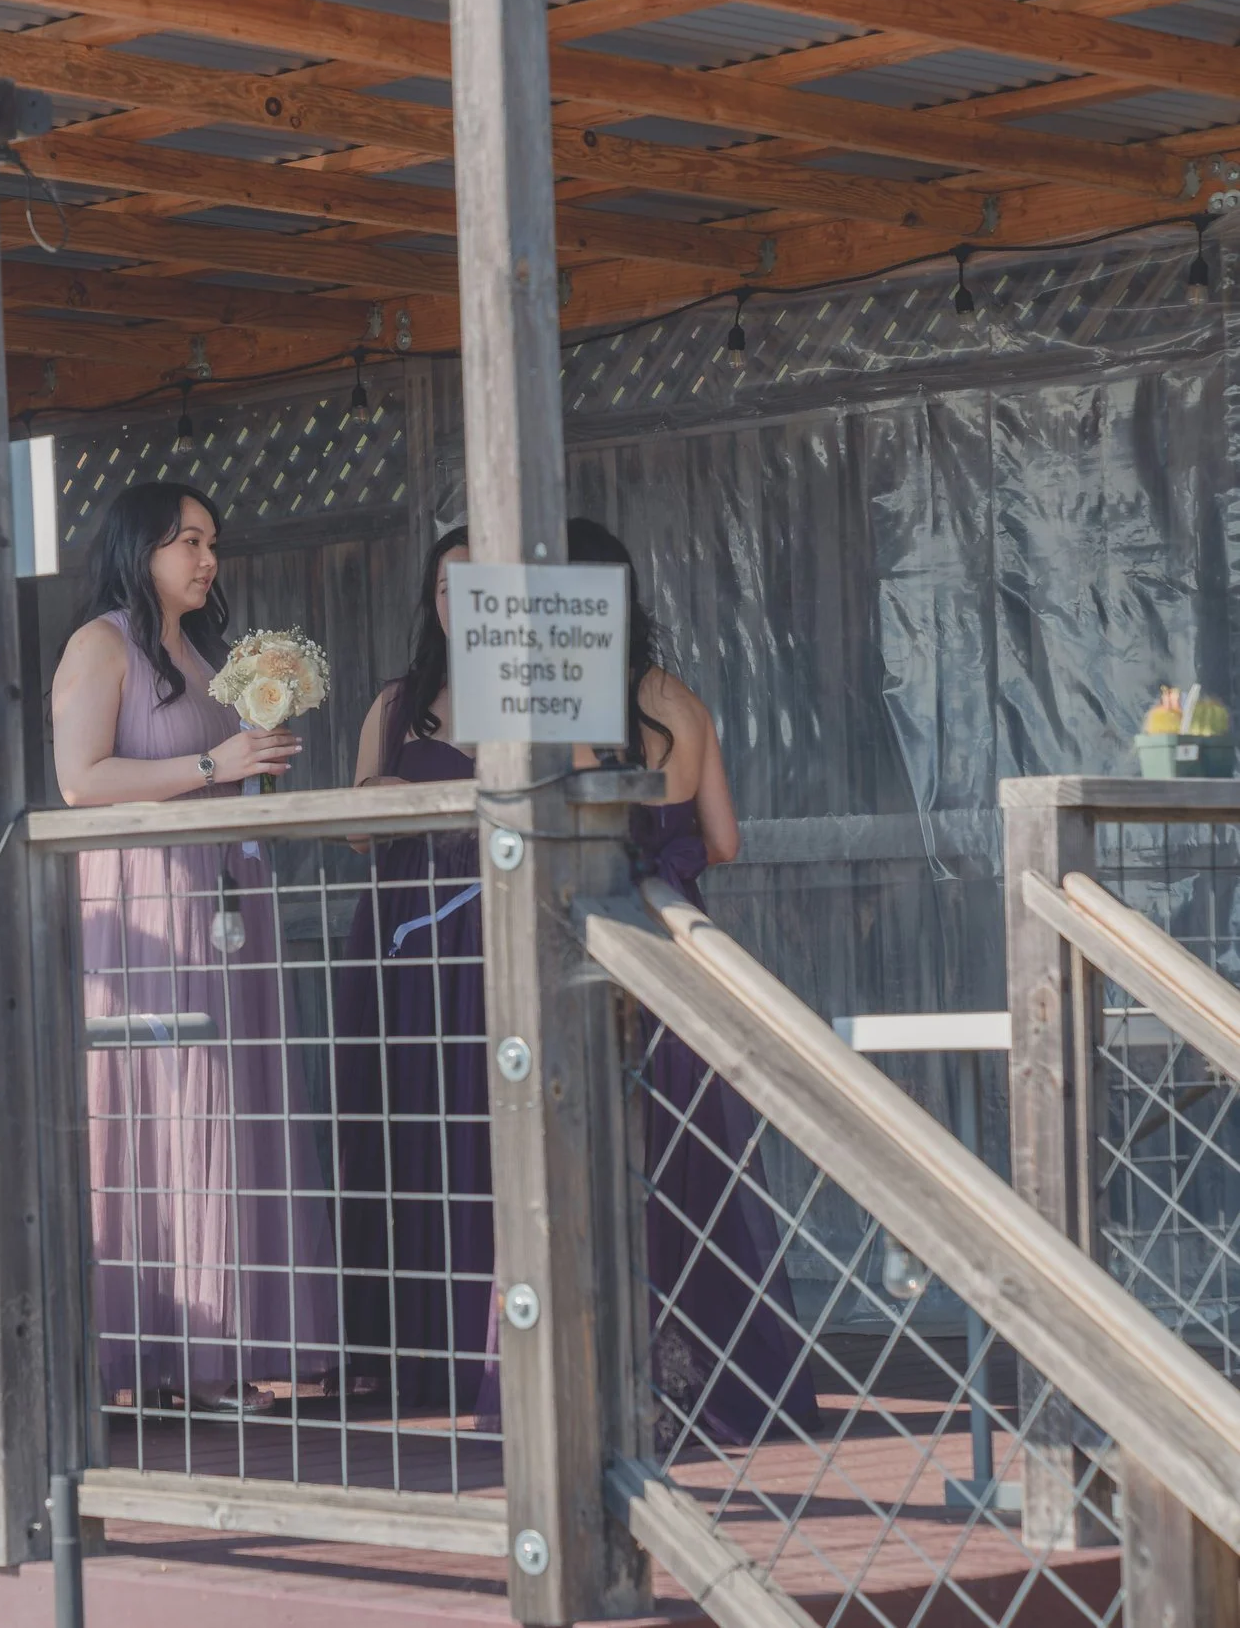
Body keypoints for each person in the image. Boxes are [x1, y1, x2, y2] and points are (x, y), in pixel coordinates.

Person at [329, 520, 817, 1446]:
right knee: (659, 1160)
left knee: (551, 1152)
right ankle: (670, 1366)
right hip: (661, 944)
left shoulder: (558, 691)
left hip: (560, 945)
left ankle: (559, 1369)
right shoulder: (676, 700)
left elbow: (563, 814)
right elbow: (721, 841)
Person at [48, 480, 340, 1413]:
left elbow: (214, 776)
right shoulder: (100, 644)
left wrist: (254, 761)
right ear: (140, 550)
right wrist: (215, 764)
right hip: (144, 891)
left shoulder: (205, 651)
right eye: (186, 541)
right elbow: (79, 780)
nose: (206, 558)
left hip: (226, 891)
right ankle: (160, 1349)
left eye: (211, 540)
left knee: (236, 1101)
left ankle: (229, 1344)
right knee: (170, 1098)